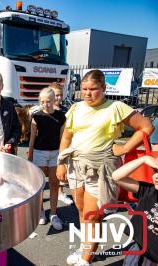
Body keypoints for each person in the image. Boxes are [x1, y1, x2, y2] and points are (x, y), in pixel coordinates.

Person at [56, 69, 154, 266]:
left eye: (93, 89)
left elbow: (146, 126)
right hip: (76, 165)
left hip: (101, 168)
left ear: (103, 88)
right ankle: (87, 248)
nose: (87, 93)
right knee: (82, 211)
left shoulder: (115, 107)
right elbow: (67, 136)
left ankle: (85, 259)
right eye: (84, 89)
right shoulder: (76, 108)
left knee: (94, 215)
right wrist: (60, 163)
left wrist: (125, 148)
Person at [28, 87, 66, 230]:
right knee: (40, 185)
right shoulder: (36, 116)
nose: (46, 104)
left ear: (54, 100)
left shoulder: (61, 116)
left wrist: (63, 158)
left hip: (55, 153)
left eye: (48, 101)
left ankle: (54, 214)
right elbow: (32, 138)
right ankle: (41, 212)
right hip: (39, 153)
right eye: (42, 102)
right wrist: (30, 156)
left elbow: (63, 139)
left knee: (55, 184)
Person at [112, 155, 158, 265]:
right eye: (156, 171)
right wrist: (144, 159)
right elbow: (116, 177)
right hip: (138, 251)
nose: (156, 176)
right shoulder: (148, 191)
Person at [50, 82, 73, 205]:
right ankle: (57, 192)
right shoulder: (47, 110)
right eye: (56, 95)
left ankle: (60, 192)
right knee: (53, 171)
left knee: (62, 169)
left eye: (60, 95)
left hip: (63, 145)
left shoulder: (66, 110)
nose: (59, 98)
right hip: (51, 145)